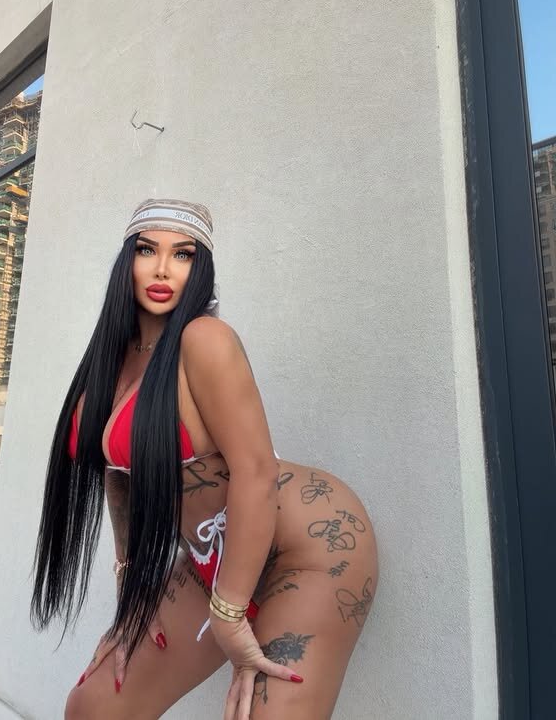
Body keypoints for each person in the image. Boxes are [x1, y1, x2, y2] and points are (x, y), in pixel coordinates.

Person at [31, 197, 379, 719]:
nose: (163, 269)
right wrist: (131, 586)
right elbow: (119, 475)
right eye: (147, 250)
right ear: (126, 261)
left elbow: (256, 472)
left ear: (201, 269)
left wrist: (231, 614)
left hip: (307, 548)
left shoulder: (204, 339)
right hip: (209, 560)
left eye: (183, 254)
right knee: (93, 707)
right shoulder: (110, 361)